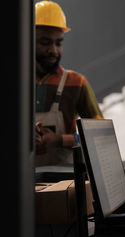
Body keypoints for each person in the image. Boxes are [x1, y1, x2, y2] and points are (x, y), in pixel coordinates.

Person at [34, 1, 103, 166]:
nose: (53, 50)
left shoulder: (76, 83)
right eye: (45, 42)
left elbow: (99, 135)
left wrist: (60, 140)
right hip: (22, 182)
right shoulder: (15, 84)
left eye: (58, 43)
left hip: (66, 184)